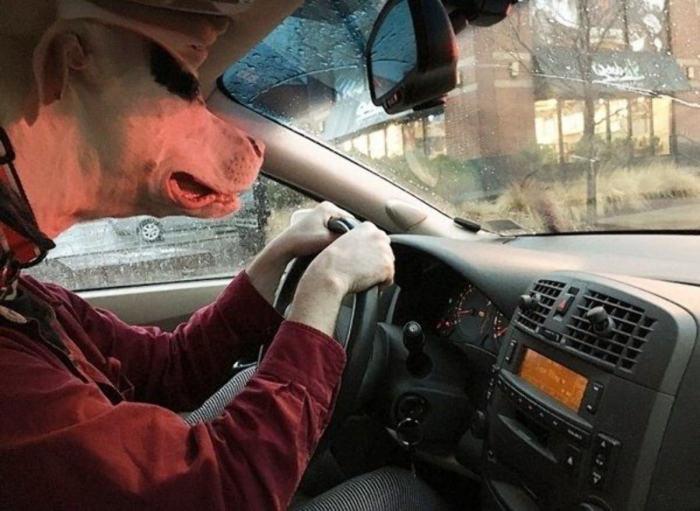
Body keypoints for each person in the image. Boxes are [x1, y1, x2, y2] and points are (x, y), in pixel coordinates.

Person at [0, 0, 450, 509]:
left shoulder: (20, 294)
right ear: (70, 60)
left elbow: (166, 369)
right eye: (188, 91)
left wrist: (278, 253)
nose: (253, 145)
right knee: (400, 493)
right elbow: (227, 491)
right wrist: (323, 288)